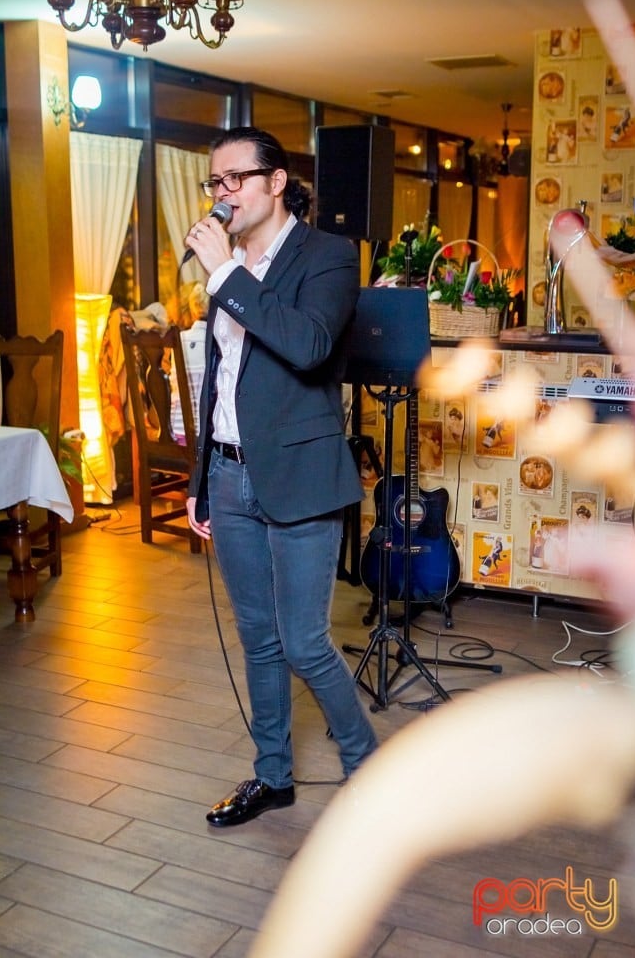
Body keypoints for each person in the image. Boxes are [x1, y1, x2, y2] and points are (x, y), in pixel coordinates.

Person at [184, 125, 378, 827]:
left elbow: (308, 345)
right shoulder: (228, 265)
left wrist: (226, 278)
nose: (223, 192)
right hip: (230, 475)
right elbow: (219, 379)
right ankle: (273, 776)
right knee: (258, 639)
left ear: (276, 182)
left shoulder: (327, 256)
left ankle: (368, 768)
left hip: (301, 475)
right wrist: (201, 477)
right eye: (215, 181)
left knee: (303, 642)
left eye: (235, 178)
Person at [169, 283, 209, 445]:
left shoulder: (178, 340)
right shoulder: (216, 342)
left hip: (175, 433)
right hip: (204, 437)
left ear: (192, 308)